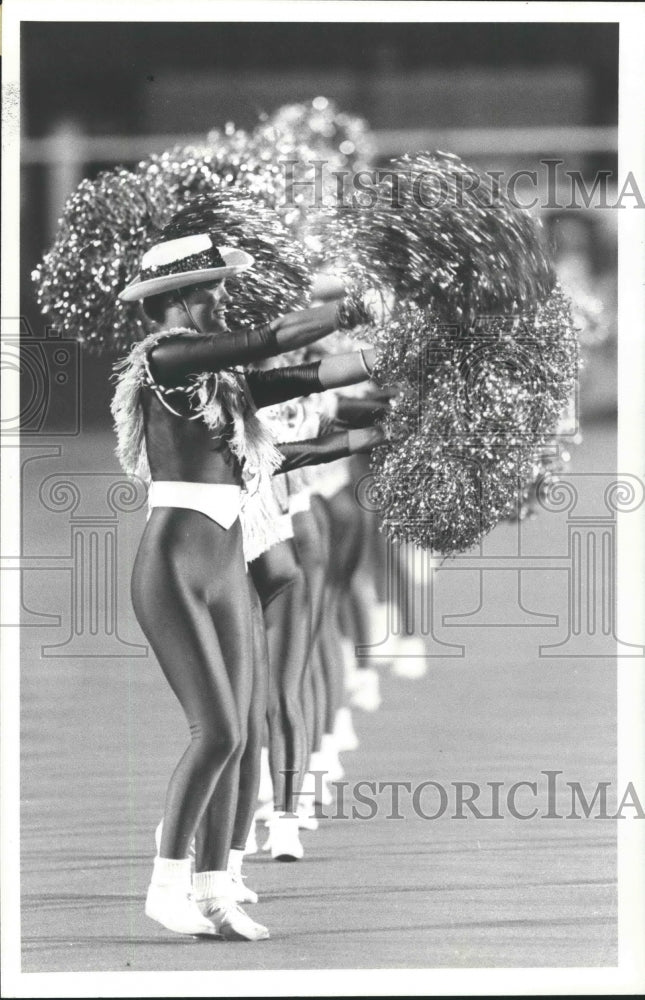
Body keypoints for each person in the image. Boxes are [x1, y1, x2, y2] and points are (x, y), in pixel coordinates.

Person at [112, 217, 382, 940]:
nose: (220, 303)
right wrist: (347, 295)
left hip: (226, 557)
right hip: (172, 564)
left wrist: (397, 355)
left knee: (243, 734)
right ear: (174, 300)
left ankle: (213, 887)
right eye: (210, 292)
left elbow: (309, 374)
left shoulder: (223, 380)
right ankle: (164, 884)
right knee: (218, 729)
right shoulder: (164, 360)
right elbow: (272, 342)